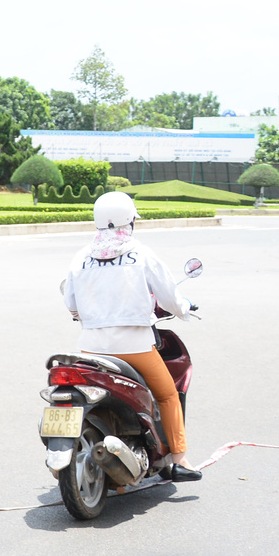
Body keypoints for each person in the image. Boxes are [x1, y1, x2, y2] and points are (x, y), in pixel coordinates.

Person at [61, 191, 202, 481]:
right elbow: (169, 297)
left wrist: (85, 318)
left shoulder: (81, 256)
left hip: (91, 349)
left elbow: (71, 302)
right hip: (135, 346)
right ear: (130, 221)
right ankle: (180, 459)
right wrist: (184, 308)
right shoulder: (141, 253)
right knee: (168, 395)